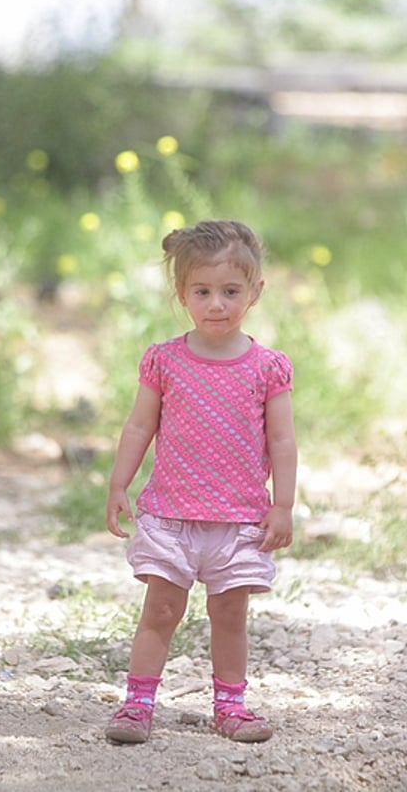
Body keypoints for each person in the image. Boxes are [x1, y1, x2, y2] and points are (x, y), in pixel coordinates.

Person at [103, 219, 297, 745]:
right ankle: (137, 704)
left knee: (230, 613)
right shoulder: (165, 360)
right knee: (162, 609)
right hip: (171, 517)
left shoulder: (267, 368)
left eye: (230, 292)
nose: (217, 304)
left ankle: (230, 706)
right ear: (182, 293)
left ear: (254, 292)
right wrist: (120, 482)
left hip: (238, 523)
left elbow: (282, 442)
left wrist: (282, 506)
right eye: (203, 291)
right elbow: (140, 424)